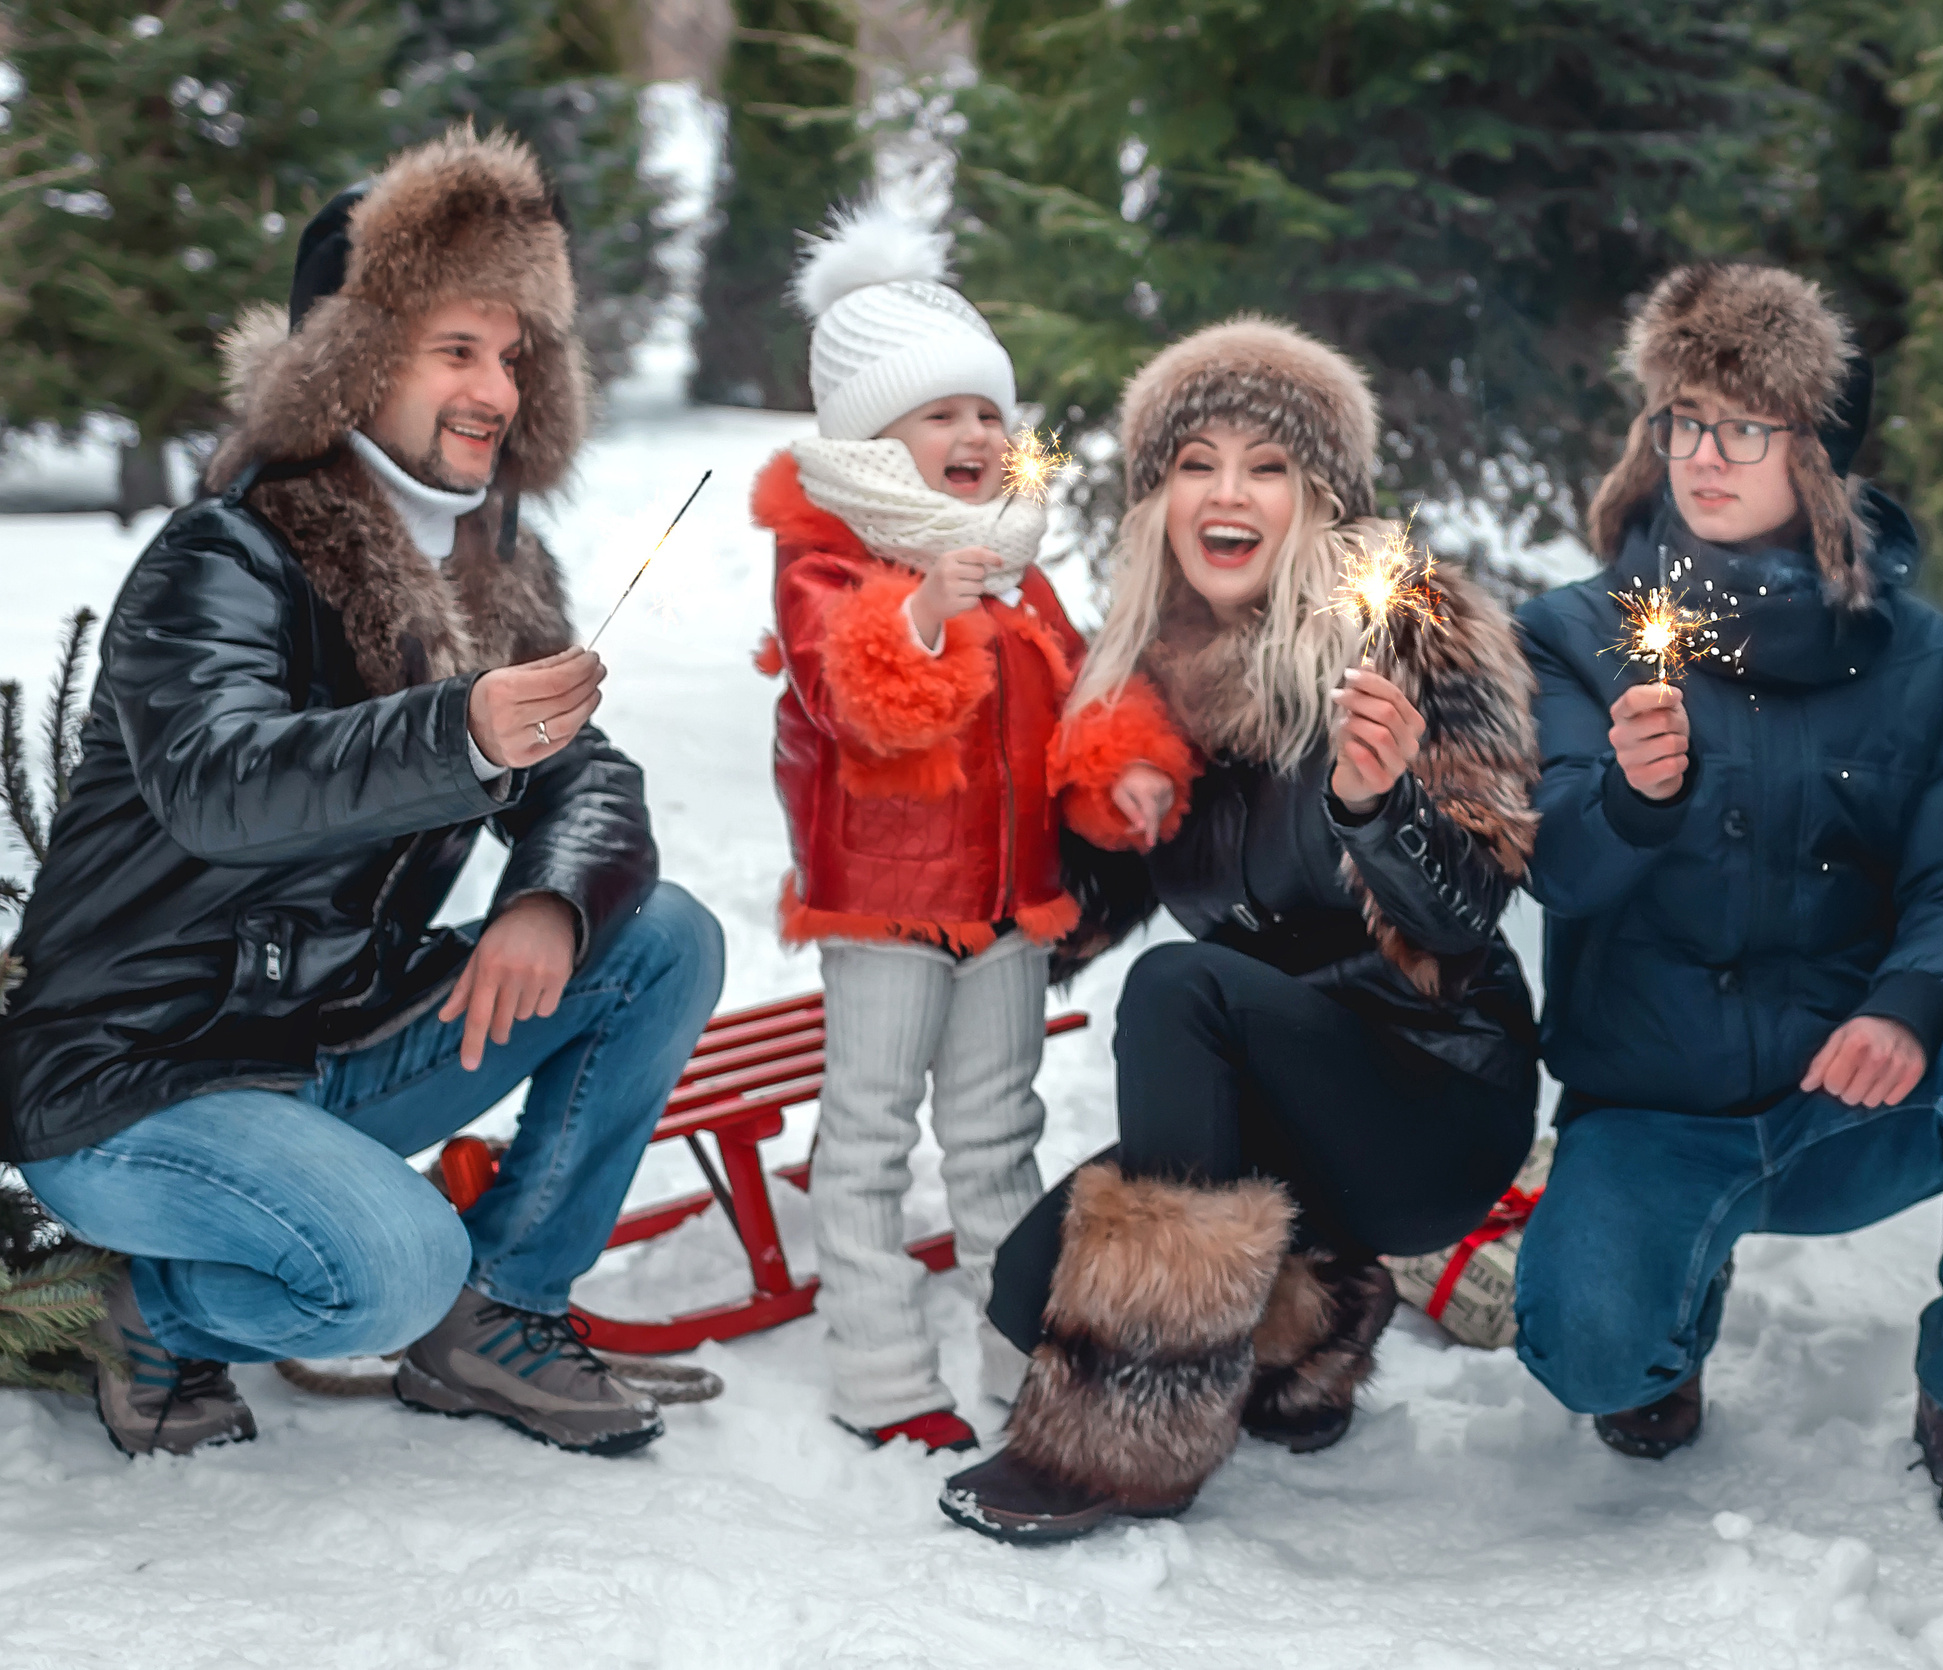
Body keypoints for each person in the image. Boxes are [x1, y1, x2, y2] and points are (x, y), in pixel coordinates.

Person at [0, 127, 724, 1460]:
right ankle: (141, 1308)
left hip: (330, 1040)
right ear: (357, 358)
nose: (496, 389)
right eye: (457, 350)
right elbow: (220, 783)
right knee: (394, 1266)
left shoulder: (490, 571)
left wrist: (551, 900)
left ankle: (503, 1310)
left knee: (660, 934)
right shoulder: (223, 556)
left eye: (514, 355)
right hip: (136, 1079)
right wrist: (458, 731)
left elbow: (586, 775)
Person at [1509, 261, 1943, 1545]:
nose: (1701, 457)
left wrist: (1909, 1005)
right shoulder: (1571, 633)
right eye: (1681, 422)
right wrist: (1629, 799)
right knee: (1589, 1357)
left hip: (1849, 1097)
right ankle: (1668, 1319)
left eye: (1743, 427)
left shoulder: (1926, 660)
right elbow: (1551, 863)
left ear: (1815, 455)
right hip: (1655, 1102)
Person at [935, 317, 1544, 1544]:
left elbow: (1468, 910)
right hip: (1275, 1102)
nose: (1226, 493)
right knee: (1023, 1287)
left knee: (1183, 985)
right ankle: (1313, 1326)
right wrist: (1046, 833)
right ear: (1157, 497)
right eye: (1194, 463)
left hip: (1430, 1090)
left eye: (1266, 466)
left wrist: (1377, 809)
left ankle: (1126, 1440)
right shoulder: (1146, 679)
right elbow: (1083, 914)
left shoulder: (1406, 629)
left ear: (1317, 499)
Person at [749, 200, 1101, 1454]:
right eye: (940, 413)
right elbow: (847, 691)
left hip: (1010, 906)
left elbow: (1073, 694)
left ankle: (1019, 1358)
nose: (976, 436)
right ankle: (881, 1370)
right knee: (868, 1139)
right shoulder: (830, 557)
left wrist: (1120, 767)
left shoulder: (1013, 555)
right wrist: (926, 620)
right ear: (873, 436)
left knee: (1000, 1136)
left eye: (989, 412)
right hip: (888, 908)